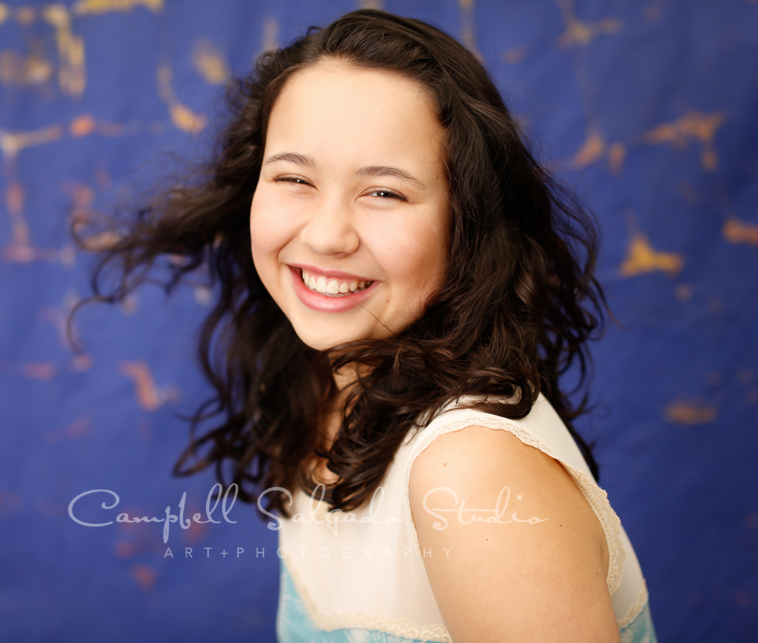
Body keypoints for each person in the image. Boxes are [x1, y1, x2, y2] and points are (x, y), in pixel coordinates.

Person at [81, 9, 656, 642]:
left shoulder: (470, 468)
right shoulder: (325, 383)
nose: (327, 235)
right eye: (295, 178)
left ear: (466, 220)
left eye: (384, 192)